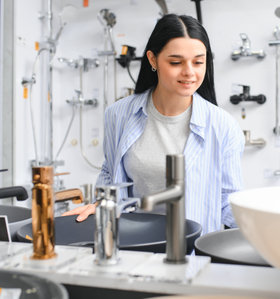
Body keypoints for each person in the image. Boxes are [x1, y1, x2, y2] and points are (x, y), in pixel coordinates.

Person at [62, 14, 244, 234]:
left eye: (198, 62)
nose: (189, 72)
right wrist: (100, 205)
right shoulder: (118, 115)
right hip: (133, 245)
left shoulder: (223, 126)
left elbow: (227, 201)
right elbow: (110, 175)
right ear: (152, 59)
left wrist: (261, 232)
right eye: (176, 62)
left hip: (191, 251)